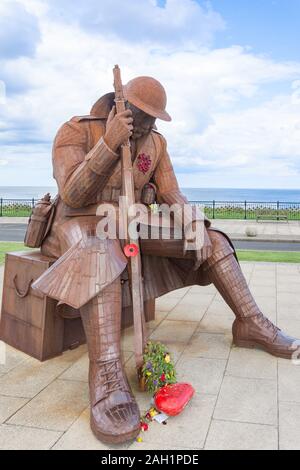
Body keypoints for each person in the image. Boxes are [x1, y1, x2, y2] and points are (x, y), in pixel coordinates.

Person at [34, 76, 300, 444]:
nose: (145, 125)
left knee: (214, 241)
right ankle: (107, 371)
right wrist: (110, 142)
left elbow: (170, 190)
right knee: (99, 248)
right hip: (79, 224)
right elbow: (74, 193)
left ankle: (251, 324)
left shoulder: (156, 143)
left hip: (131, 221)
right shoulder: (77, 130)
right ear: (120, 103)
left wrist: (192, 219)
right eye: (140, 116)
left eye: (152, 119)